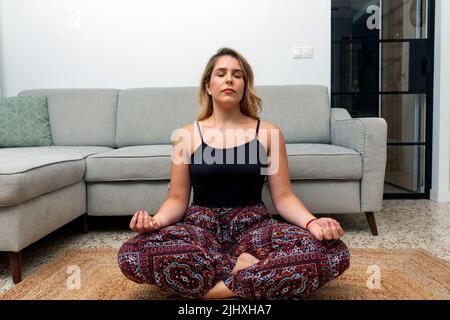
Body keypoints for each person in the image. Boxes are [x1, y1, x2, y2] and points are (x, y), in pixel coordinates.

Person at [117, 48, 350, 299]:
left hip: (254, 227)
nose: (229, 79)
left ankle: (213, 291)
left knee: (334, 251)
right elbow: (177, 199)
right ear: (208, 85)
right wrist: (155, 222)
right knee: (131, 252)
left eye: (237, 75)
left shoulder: (268, 132)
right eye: (221, 73)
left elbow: (283, 198)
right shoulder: (186, 135)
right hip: (200, 228)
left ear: (244, 85)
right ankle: (251, 274)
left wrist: (313, 223)